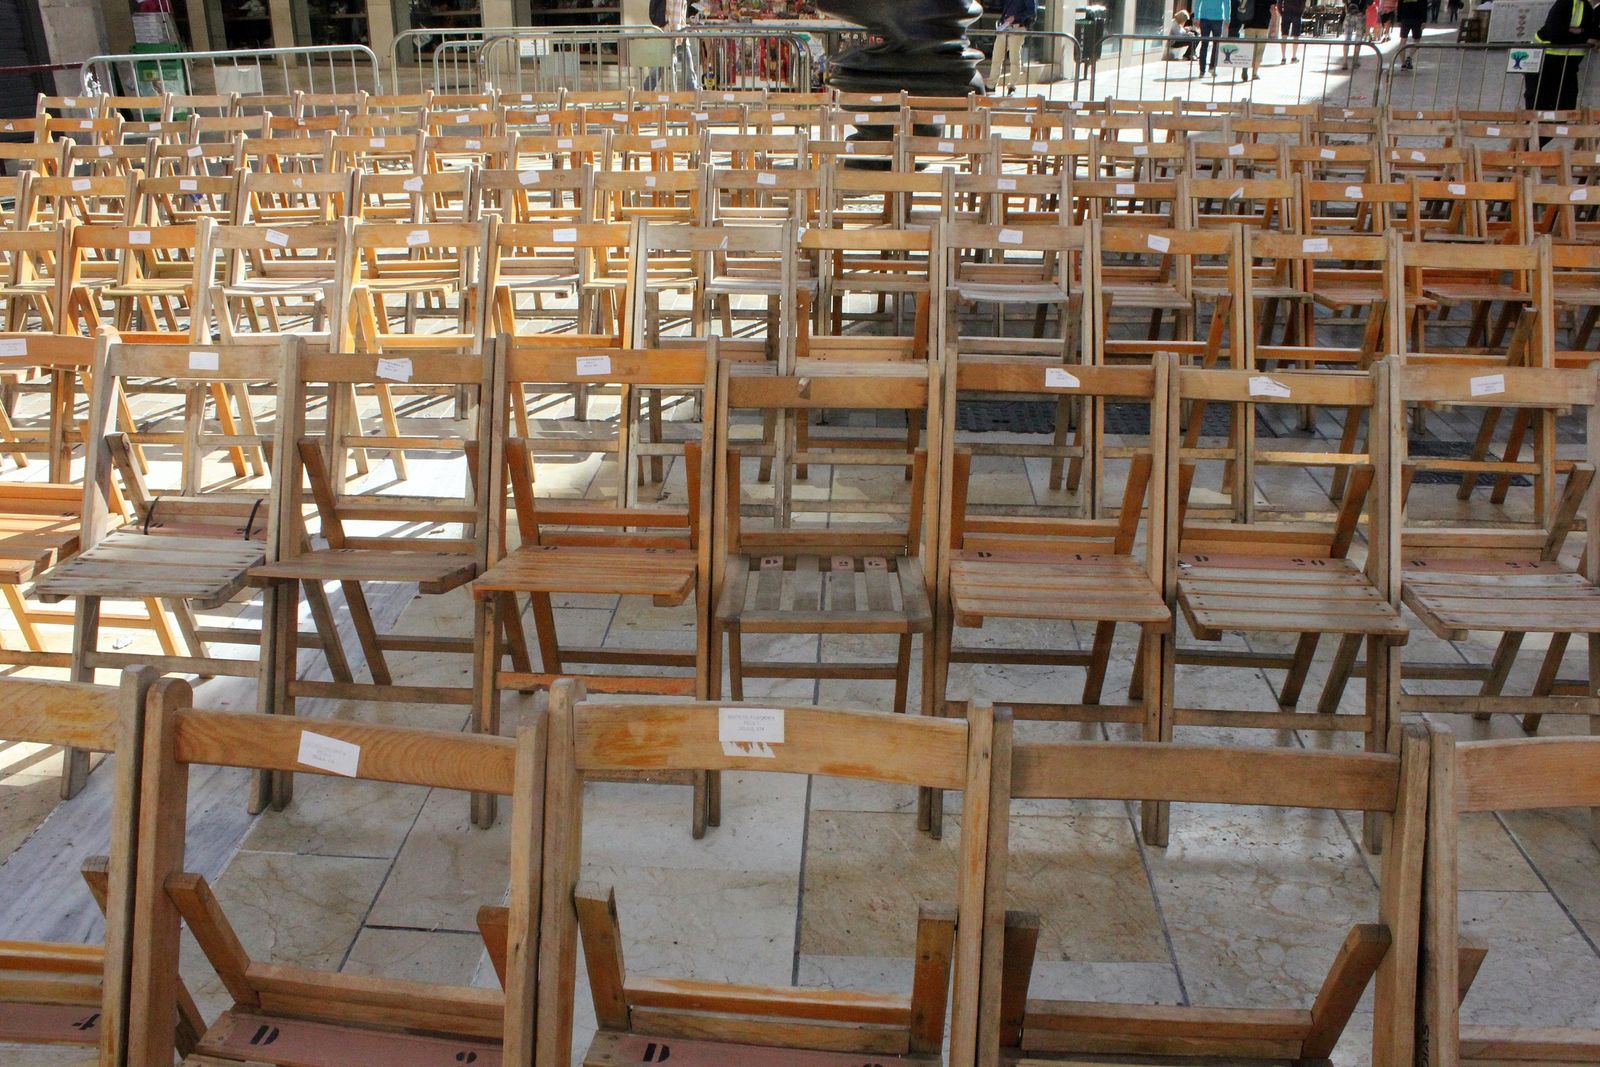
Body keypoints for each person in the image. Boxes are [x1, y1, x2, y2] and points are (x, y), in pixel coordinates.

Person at [1525, 0, 1600, 113]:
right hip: (1544, 61)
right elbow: (1556, 34)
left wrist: (1580, 33)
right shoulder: (1565, 3)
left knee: (1565, 108)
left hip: (1566, 66)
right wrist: (1583, 37)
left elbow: (1592, 34)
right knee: (1539, 108)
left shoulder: (1588, 8)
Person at [989, 0, 1039, 94]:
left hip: (1017, 28)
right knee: (996, 56)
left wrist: (1015, 17)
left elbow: (1031, 11)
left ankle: (1012, 85)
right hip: (1005, 27)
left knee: (1014, 58)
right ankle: (991, 84)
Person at [1240, 0, 1277, 79]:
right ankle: (1254, 73)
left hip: (1249, 23)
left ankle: (1245, 68)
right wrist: (1274, 26)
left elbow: (1243, 5)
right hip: (1263, 25)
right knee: (1259, 50)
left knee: (1247, 48)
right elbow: (1273, 9)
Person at [1195, 0, 1231, 76]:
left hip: (1204, 18)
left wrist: (1196, 17)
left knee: (1204, 44)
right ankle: (1212, 67)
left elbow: (1198, 2)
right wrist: (1227, 18)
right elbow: (1227, 4)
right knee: (1216, 44)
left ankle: (1202, 70)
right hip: (1217, 19)